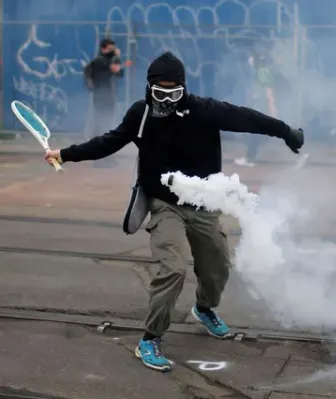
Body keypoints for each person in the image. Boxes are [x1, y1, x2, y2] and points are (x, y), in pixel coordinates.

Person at [45, 51, 304, 372]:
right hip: (164, 205)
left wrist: (285, 130)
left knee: (218, 267)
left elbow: (247, 118)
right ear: (149, 88)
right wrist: (65, 154)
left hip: (204, 205)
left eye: (173, 92)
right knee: (173, 269)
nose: (166, 99)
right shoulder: (140, 114)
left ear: (183, 88)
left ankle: (204, 308)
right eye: (160, 92)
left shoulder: (204, 110)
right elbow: (108, 142)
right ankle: (150, 339)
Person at [234, 46, 285, 167]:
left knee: (256, 131)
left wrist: (272, 107)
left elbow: (269, 90)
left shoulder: (263, 71)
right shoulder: (262, 71)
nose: (250, 60)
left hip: (262, 106)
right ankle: (250, 157)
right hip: (261, 105)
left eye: (252, 57)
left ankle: (249, 158)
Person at [83, 38, 125, 168]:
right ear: (103, 48)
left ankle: (104, 156)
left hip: (106, 97)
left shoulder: (105, 61)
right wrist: (117, 58)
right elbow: (115, 71)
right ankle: (99, 157)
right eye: (110, 48)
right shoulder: (100, 61)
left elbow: (119, 73)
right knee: (101, 126)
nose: (112, 51)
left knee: (105, 125)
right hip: (102, 97)